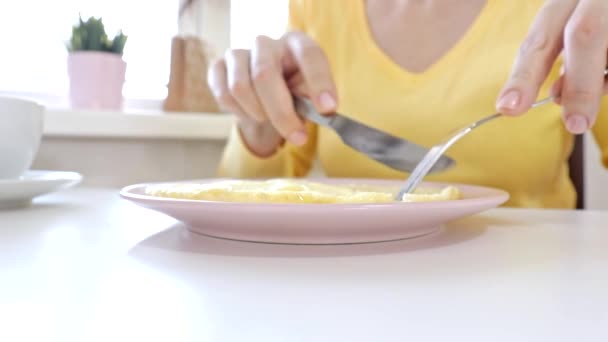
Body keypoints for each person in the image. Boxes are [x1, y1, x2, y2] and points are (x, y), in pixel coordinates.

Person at [208, 0, 608, 209]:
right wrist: (259, 123)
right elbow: (254, 198)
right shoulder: (318, 7)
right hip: (356, 285)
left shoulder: (569, 12)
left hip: (535, 288)